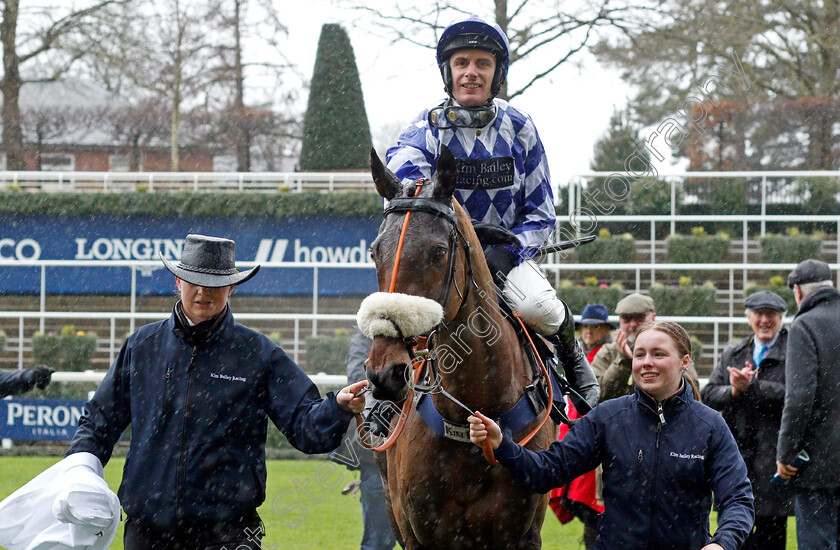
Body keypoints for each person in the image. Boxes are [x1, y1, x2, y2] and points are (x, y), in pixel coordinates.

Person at [65, 234, 367, 550]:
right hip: (147, 531)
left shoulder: (259, 354)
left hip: (229, 535)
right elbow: (98, 421)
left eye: (214, 283)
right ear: (177, 281)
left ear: (232, 287)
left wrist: (338, 407)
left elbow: (306, 426)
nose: (203, 291)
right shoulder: (142, 347)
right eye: (194, 280)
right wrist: (78, 467)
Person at [386, 14, 598, 411]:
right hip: (442, 261)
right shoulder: (425, 129)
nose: (471, 73)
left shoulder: (520, 128)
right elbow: (403, 188)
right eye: (461, 63)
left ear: (496, 73)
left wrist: (509, 251)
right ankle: (379, 405)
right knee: (390, 318)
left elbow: (541, 213)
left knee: (540, 308)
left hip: (507, 259)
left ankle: (576, 369)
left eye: (482, 63)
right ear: (447, 72)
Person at [469, 321, 755, 550]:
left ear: (684, 361)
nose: (647, 363)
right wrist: (502, 444)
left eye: (659, 354)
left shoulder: (710, 425)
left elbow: (738, 499)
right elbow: (549, 471)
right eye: (640, 354)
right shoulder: (608, 418)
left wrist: (721, 543)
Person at [702, 290, 792, 549]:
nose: (765, 320)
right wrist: (734, 390)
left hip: (772, 457)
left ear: (781, 318)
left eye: (771, 315)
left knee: (771, 536)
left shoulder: (793, 350)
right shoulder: (734, 351)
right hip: (736, 457)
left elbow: (795, 396)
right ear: (749, 318)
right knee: (731, 531)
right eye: (759, 314)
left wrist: (754, 386)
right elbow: (709, 394)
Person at [776, 259, 840, 549]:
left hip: (819, 466)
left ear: (798, 292)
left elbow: (800, 397)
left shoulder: (805, 324)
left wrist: (786, 453)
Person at [548, 304, 613, 548]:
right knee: (586, 506)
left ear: (605, 329)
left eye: (595, 326)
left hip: (595, 435)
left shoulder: (606, 353)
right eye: (585, 326)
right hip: (577, 432)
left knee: (595, 507)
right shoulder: (581, 356)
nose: (588, 331)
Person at [343, 328, 396, 550]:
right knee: (378, 542)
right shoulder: (363, 341)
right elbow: (360, 382)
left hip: (414, 453)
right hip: (377, 455)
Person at [590, 293, 699, 401]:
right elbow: (594, 395)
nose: (633, 324)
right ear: (620, 321)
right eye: (626, 319)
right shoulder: (608, 352)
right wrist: (623, 361)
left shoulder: (672, 349)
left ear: (653, 318)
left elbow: (691, 391)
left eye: (639, 318)